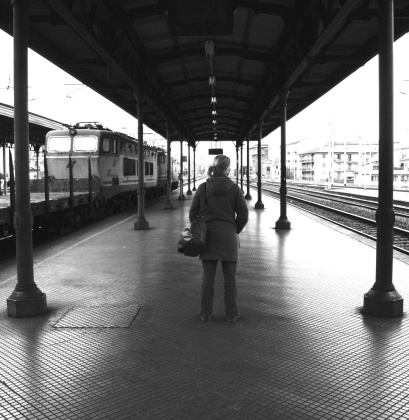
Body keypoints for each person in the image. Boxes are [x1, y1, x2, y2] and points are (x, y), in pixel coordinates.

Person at [189, 155, 249, 322]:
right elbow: (243, 214)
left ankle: (205, 314)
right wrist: (234, 228)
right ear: (227, 169)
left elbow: (192, 214)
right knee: (230, 278)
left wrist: (200, 227)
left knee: (208, 277)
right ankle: (232, 314)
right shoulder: (235, 189)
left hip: (208, 237)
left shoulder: (203, 188)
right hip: (229, 237)